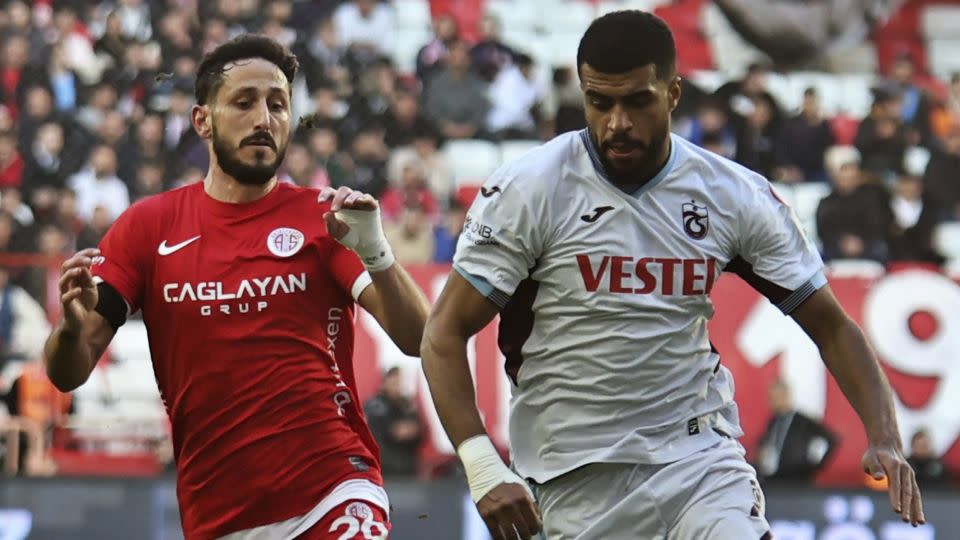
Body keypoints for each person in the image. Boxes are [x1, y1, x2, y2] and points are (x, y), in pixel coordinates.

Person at [420, 11, 925, 540]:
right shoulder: (530, 190)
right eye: (600, 101)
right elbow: (444, 332)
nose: (617, 122)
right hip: (572, 476)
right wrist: (481, 465)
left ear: (674, 93)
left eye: (637, 100)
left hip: (697, 459)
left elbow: (831, 324)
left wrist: (884, 433)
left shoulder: (731, 195)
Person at [42, 35, 430, 540]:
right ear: (203, 120)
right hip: (217, 516)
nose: (264, 119)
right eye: (244, 103)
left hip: (333, 491)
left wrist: (377, 252)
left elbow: (420, 337)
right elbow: (66, 373)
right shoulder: (148, 227)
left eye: (278, 105)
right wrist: (72, 328)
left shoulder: (325, 217)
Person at [755, 379, 837, 485]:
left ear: (786, 396)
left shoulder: (803, 422)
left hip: (797, 482)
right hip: (774, 481)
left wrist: (810, 465)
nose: (772, 402)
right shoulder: (773, 421)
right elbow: (764, 443)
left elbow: (830, 439)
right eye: (771, 398)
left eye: (776, 397)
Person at [363, 366, 424, 477]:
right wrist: (393, 430)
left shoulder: (407, 405)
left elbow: (420, 432)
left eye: (399, 382)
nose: (397, 386)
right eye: (393, 381)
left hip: (408, 468)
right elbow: (373, 438)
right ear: (384, 382)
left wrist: (413, 431)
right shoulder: (373, 405)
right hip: (383, 470)